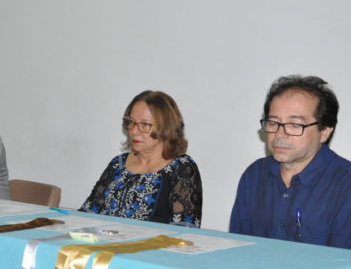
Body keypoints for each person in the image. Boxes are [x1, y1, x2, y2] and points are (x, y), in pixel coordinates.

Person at [230, 75, 351, 248]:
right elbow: (238, 249)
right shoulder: (255, 175)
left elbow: (343, 267)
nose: (280, 134)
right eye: (273, 123)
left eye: (295, 125)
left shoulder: (345, 185)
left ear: (324, 131)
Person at [80, 90, 203, 226]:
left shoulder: (181, 168)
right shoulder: (118, 164)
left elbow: (185, 229)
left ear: (166, 128)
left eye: (145, 125)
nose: (133, 130)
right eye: (131, 122)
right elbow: (88, 212)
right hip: (103, 243)